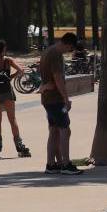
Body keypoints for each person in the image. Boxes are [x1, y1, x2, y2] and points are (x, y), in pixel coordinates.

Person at [41, 33, 83, 175]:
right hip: (56, 100)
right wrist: (66, 98)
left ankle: (51, 164)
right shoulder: (56, 55)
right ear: (68, 44)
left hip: (48, 99)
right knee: (65, 130)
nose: (69, 52)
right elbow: (58, 78)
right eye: (70, 49)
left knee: (54, 130)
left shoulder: (48, 51)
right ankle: (66, 164)